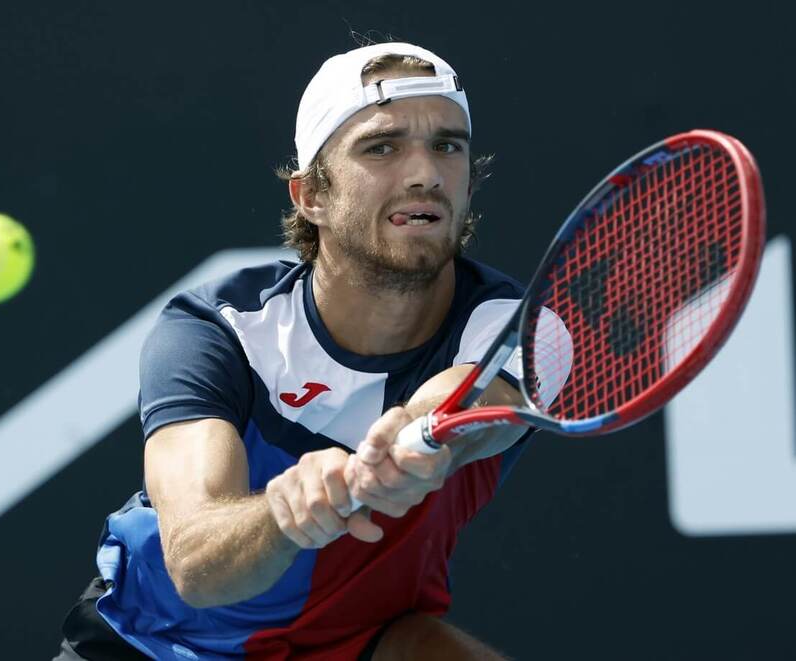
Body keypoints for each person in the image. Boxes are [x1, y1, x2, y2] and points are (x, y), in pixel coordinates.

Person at [55, 41, 536, 660]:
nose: (426, 172)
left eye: (447, 145)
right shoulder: (216, 329)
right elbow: (199, 565)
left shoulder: (516, 328)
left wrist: (420, 433)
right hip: (156, 643)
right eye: (382, 147)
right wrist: (282, 514)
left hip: (362, 640)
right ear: (311, 196)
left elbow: (469, 406)